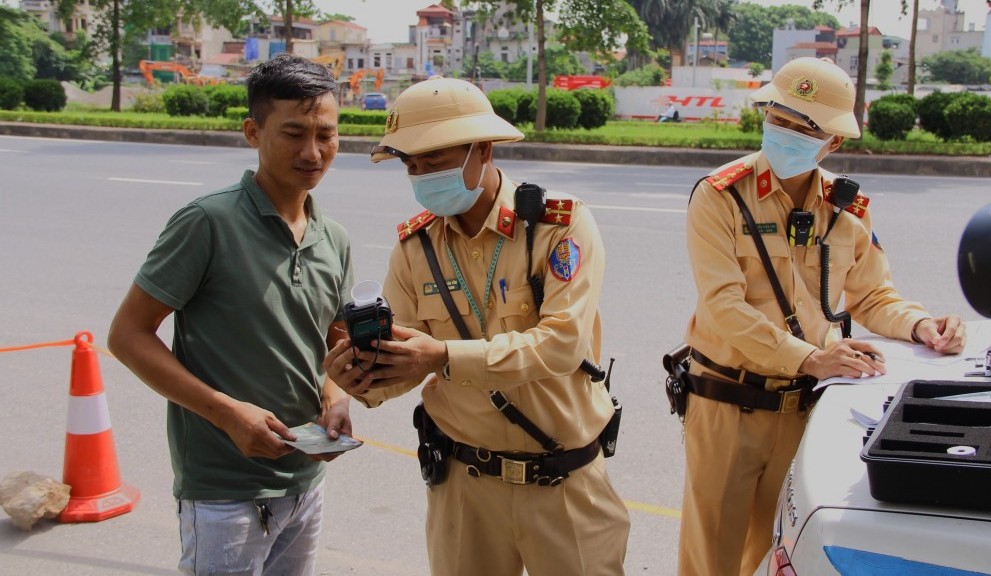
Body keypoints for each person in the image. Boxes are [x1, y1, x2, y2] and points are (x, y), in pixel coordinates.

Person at [323, 76, 630, 576]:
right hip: (464, 484)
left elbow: (562, 344)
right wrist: (362, 379)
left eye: (435, 161)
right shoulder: (414, 248)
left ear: (482, 150)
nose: (422, 177)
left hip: (565, 483)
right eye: (412, 166)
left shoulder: (558, 225)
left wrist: (444, 358)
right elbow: (403, 357)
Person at [677, 56, 967, 576]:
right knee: (712, 559)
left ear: (832, 142)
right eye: (777, 117)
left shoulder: (848, 209)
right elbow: (723, 306)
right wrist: (810, 356)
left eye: (801, 126)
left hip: (806, 410)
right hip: (728, 404)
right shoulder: (720, 195)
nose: (783, 132)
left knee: (780, 554)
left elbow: (873, 295)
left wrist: (921, 324)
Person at [108, 53, 355, 576]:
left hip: (306, 485)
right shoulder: (207, 222)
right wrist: (226, 413)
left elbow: (331, 341)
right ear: (252, 131)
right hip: (224, 493)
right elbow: (129, 335)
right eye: (293, 133)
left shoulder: (333, 237)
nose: (313, 152)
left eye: (326, 135)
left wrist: (336, 397)